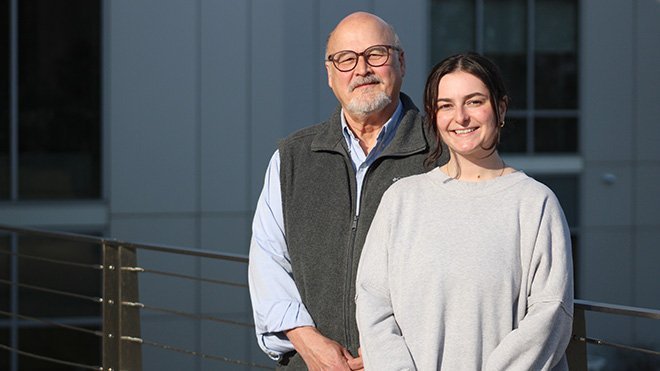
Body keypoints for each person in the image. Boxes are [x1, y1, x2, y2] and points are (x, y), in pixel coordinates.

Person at [248, 11, 446, 370]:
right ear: (329, 73)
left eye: (376, 54)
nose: (361, 69)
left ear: (400, 62)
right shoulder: (292, 158)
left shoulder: (441, 154)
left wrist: (391, 353)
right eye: (346, 59)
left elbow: (462, 274)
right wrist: (307, 342)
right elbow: (268, 261)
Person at [355, 53, 574, 371]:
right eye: (446, 105)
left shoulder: (534, 203)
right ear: (434, 115)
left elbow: (549, 314)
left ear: (500, 108)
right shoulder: (401, 200)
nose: (460, 117)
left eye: (474, 102)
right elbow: (373, 302)